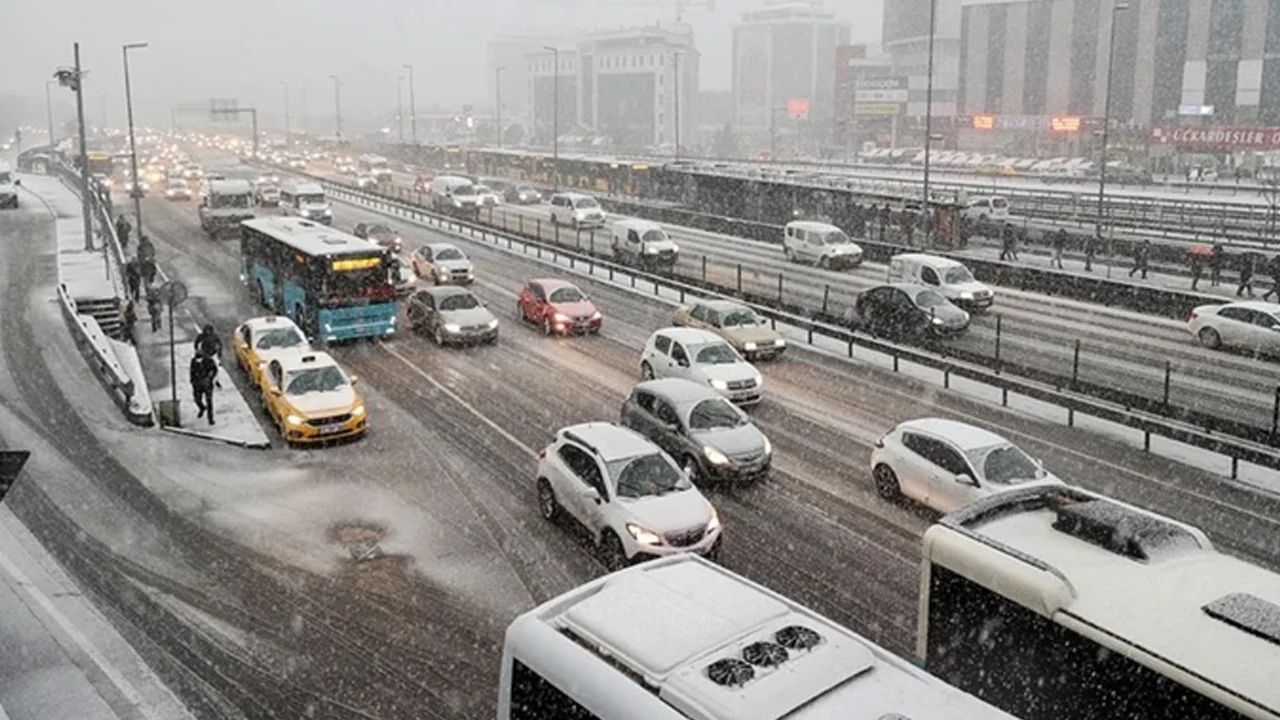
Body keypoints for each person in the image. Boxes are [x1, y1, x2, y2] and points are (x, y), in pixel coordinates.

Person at [190, 353, 218, 425]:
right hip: (197, 384)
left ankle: (210, 419)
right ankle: (202, 407)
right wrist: (192, 381)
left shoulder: (209, 361)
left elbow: (214, 369)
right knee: (197, 399)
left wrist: (210, 377)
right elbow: (192, 371)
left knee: (209, 402)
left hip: (207, 385)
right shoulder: (193, 361)